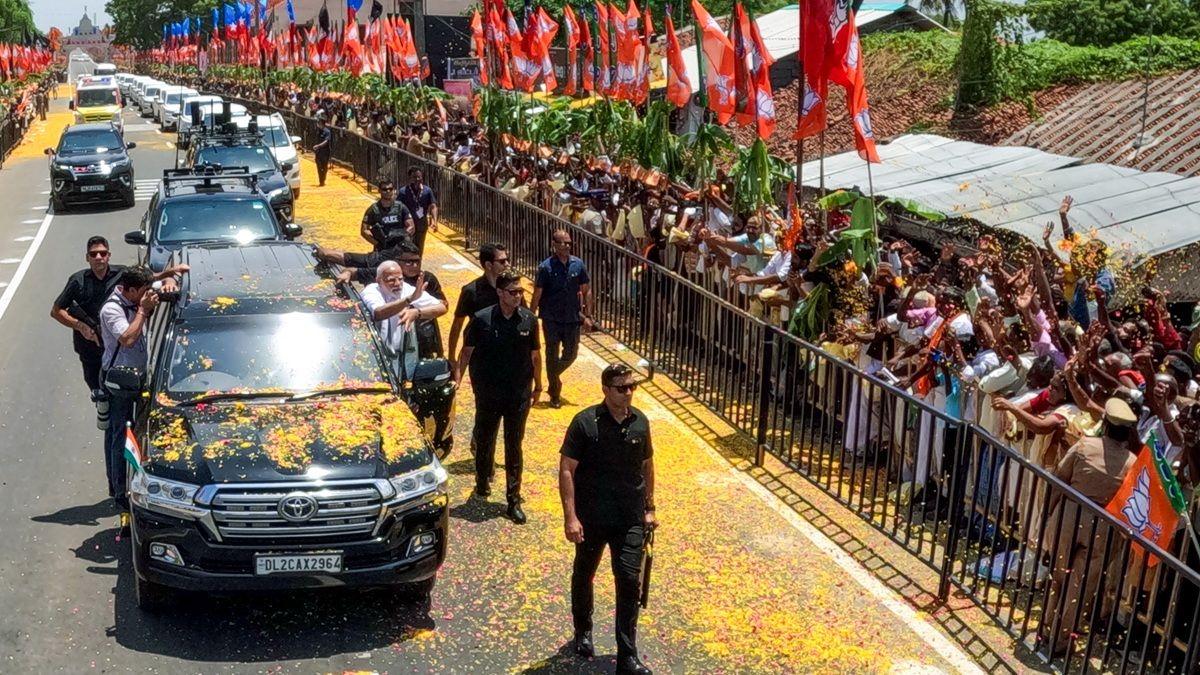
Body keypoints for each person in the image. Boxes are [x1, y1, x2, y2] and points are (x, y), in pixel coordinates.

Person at [559, 363, 656, 675]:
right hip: (593, 517)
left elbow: (647, 465)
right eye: (621, 387)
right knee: (584, 573)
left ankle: (627, 654)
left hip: (629, 517)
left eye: (631, 387)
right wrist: (571, 517)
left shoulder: (640, 422)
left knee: (628, 580)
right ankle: (583, 630)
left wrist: (649, 508)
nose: (627, 392)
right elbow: (566, 470)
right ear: (605, 389)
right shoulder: (585, 423)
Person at [1041, 397, 1139, 655]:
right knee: (1080, 585)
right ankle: (1061, 642)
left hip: (1070, 514)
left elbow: (1059, 480)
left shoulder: (1084, 445)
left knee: (1059, 574)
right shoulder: (1132, 462)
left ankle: (1046, 627)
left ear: (1105, 423)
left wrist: (1047, 516)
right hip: (1103, 527)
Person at [457, 270, 543, 524]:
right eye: (513, 292)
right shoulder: (482, 320)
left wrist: (539, 385)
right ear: (500, 293)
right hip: (488, 392)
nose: (518, 297)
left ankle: (513, 498)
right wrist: (458, 378)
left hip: (518, 393)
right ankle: (482, 479)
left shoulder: (529, 320)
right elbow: (467, 352)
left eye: (520, 292)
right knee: (485, 438)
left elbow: (535, 356)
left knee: (514, 444)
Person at [51, 236, 187, 394]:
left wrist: (170, 275)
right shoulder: (77, 281)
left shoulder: (121, 274)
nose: (98, 258)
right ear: (87, 257)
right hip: (91, 346)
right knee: (99, 392)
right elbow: (56, 311)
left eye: (103, 253)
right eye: (93, 254)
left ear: (109, 255)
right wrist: (80, 326)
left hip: (120, 344)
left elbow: (145, 279)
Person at [99, 266, 161, 530]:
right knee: (119, 435)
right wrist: (143, 311)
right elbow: (127, 338)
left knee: (141, 433)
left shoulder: (137, 298)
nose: (148, 296)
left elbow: (160, 285)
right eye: (143, 293)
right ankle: (119, 491)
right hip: (119, 381)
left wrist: (168, 279)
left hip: (139, 377)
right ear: (131, 290)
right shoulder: (111, 310)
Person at [531, 229, 593, 408]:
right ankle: (555, 393)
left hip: (572, 317)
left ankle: (552, 375)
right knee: (552, 352)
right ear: (554, 245)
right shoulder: (545, 267)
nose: (567, 246)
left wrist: (588, 315)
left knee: (571, 353)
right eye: (563, 242)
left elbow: (586, 289)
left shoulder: (578, 264)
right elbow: (537, 293)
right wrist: (531, 315)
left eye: (569, 242)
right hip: (550, 317)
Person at [360, 260, 448, 379]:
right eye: (391, 280)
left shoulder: (407, 289)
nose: (397, 284)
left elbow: (442, 307)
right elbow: (378, 313)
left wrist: (417, 312)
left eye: (400, 279)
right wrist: (408, 300)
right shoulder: (371, 291)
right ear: (379, 281)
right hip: (376, 357)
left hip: (404, 356)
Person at [448, 242, 509, 375]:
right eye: (503, 261)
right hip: (481, 355)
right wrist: (452, 357)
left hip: (508, 352)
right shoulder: (471, 291)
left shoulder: (512, 290)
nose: (507, 265)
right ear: (488, 265)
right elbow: (457, 324)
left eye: (507, 260)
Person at [360, 178, 416, 251]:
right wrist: (378, 243)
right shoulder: (373, 209)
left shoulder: (400, 207)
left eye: (390, 189)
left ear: (393, 190)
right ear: (379, 190)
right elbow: (364, 231)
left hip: (399, 248)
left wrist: (401, 238)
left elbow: (411, 227)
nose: (388, 191)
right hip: (381, 249)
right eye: (384, 189)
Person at [397, 167, 439, 254]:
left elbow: (433, 206)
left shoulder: (427, 191)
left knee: (419, 248)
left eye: (419, 177)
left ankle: (417, 266)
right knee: (407, 247)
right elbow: (397, 207)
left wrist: (435, 221)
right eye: (414, 177)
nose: (417, 179)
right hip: (407, 224)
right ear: (409, 178)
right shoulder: (403, 192)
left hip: (421, 223)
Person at [313, 115, 332, 187]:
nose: (318, 124)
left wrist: (318, 146)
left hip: (325, 152)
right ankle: (321, 181)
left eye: (319, 122)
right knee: (319, 167)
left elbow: (326, 141)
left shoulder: (327, 131)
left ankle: (323, 179)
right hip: (318, 152)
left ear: (322, 123)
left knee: (324, 167)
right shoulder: (318, 131)